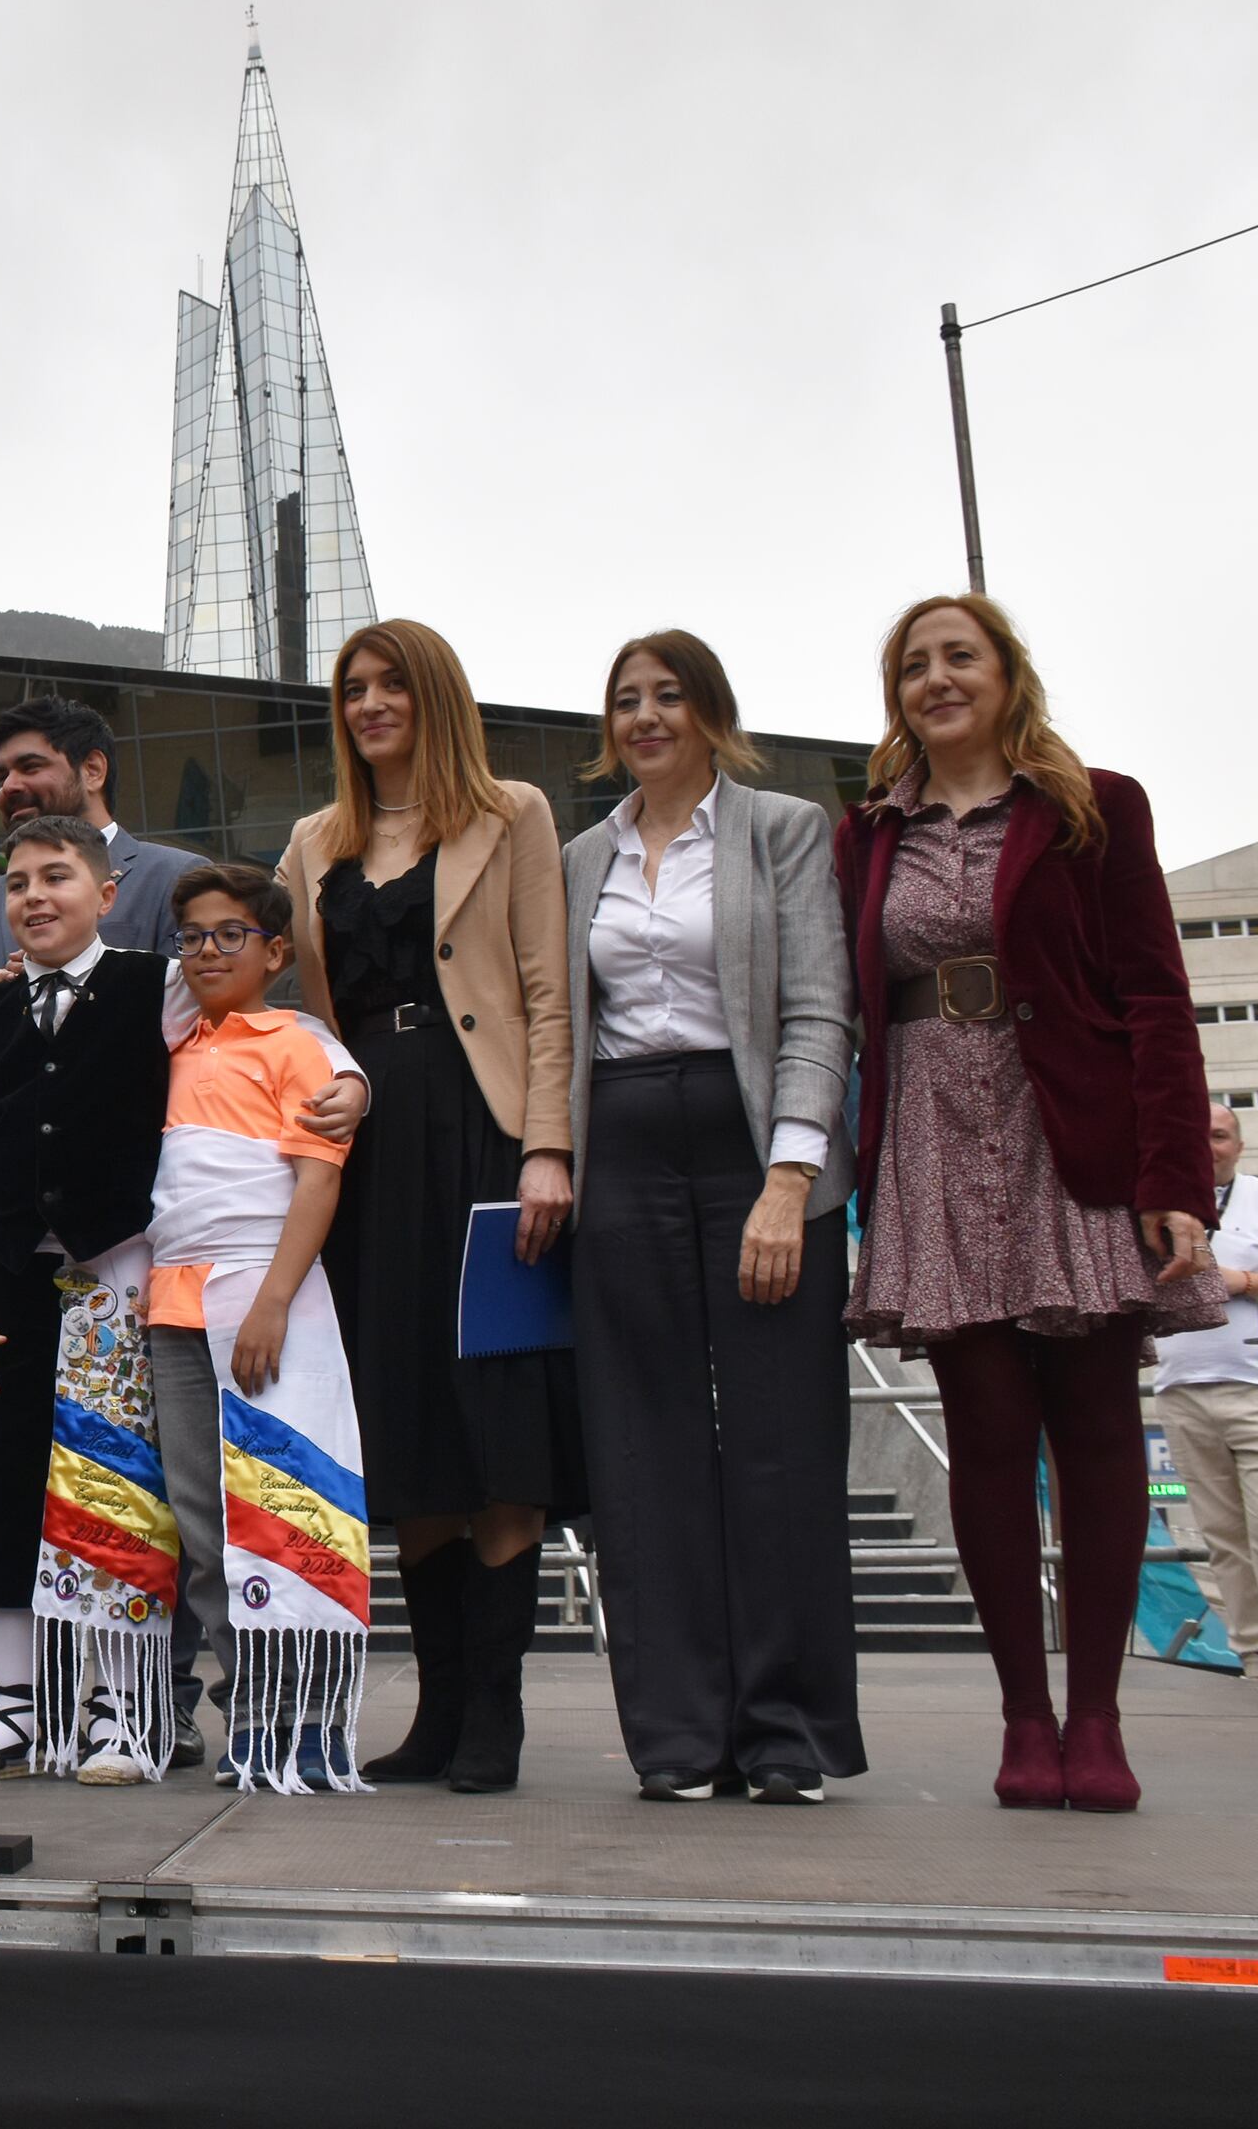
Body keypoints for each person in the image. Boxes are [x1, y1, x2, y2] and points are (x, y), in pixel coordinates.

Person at [839, 594, 1220, 1814]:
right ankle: (1023, 1716)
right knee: (989, 1433)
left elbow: (1156, 998)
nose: (938, 680)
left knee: (1098, 1426)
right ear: (897, 695)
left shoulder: (1094, 808)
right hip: (933, 1142)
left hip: (1071, 1134)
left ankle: (1097, 1717)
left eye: (962, 657)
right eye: (915, 666)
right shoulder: (867, 835)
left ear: (1008, 675)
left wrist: (1175, 1180)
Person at [277, 617, 579, 1796]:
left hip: (485, 1138)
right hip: (368, 1149)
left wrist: (546, 1147)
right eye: (353, 688)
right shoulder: (315, 841)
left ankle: (496, 1713)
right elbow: (302, 1008)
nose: (369, 704)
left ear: (434, 695)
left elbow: (546, 992)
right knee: (406, 1428)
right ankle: (439, 1710)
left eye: (391, 684)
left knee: (497, 1424)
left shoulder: (513, 814)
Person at [562, 631, 864, 1804]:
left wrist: (790, 1181)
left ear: (711, 714)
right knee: (643, 1448)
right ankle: (678, 1732)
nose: (645, 717)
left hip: (755, 1149)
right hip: (623, 1148)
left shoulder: (782, 829)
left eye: (668, 696)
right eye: (626, 700)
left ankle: (785, 1730)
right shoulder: (582, 856)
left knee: (784, 1440)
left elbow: (819, 1010)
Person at [0, 815, 179, 1785]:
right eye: (18, 882)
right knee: (7, 1483)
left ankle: (124, 1707)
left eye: (56, 877)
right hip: (8, 1288)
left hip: (122, 1275)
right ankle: (17, 1706)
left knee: (118, 1486)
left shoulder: (162, 988)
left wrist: (343, 1078)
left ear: (105, 894)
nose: (33, 897)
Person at [148, 861, 366, 1791]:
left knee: (287, 1506)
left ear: (275, 952)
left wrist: (274, 1297)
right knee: (203, 1523)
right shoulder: (166, 1045)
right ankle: (250, 1706)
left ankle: (309, 1716)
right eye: (192, 936)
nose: (207, 951)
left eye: (229, 934)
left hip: (263, 1299)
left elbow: (318, 1176)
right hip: (170, 1306)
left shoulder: (296, 1041)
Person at [1158, 1102, 1258, 1686]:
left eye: (1220, 1135)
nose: (1208, 1145)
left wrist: (1242, 1282)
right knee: (1222, 1536)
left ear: (1240, 1146)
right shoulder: (1155, 1210)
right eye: (1197, 1135)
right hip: (1182, 1393)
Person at [0, 697, 196, 1004]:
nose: (9, 786)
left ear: (93, 770)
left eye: (30, 767)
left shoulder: (175, 878)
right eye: (2, 776)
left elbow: (195, 1009)